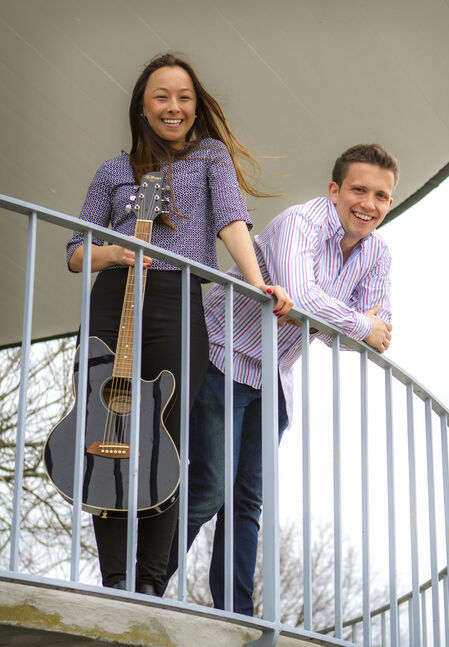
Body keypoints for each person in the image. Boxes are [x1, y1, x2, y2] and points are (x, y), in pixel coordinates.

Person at [65, 52, 292, 597]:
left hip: (178, 298)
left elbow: (232, 219)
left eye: (184, 97)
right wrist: (113, 254)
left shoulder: (209, 157)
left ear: (195, 106)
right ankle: (114, 576)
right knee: (108, 430)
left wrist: (259, 281)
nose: (174, 107)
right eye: (162, 96)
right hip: (115, 296)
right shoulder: (114, 171)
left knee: (163, 435)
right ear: (143, 106)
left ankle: (148, 582)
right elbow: (75, 251)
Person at [165, 143, 398, 614]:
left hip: (273, 379)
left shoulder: (378, 254)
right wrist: (356, 321)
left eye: (381, 195)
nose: (368, 204)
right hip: (221, 356)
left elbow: (373, 337)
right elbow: (298, 299)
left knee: (247, 501)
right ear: (334, 190)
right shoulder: (301, 223)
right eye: (358, 189)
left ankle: (237, 615)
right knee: (209, 488)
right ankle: (139, 583)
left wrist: (350, 326)